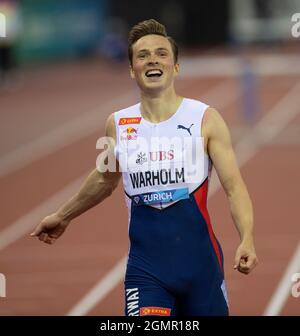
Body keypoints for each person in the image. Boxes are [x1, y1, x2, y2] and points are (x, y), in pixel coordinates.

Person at [31, 19, 258, 316]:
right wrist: (63, 216)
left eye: (162, 53)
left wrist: (247, 238)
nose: (152, 59)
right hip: (147, 272)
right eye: (143, 55)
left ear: (175, 66)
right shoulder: (119, 123)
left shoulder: (205, 118)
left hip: (202, 267)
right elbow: (105, 178)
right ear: (131, 69)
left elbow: (234, 187)